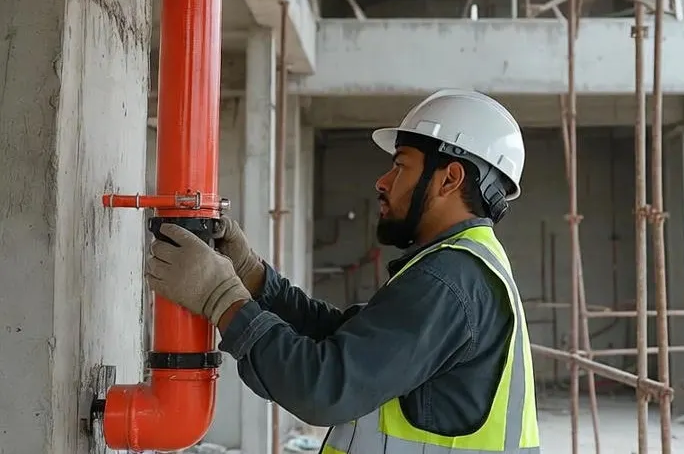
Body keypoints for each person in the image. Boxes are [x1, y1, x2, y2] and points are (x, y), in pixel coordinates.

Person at [145, 89, 540, 453]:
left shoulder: (449, 280)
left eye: (400, 166)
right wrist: (252, 277)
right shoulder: (465, 266)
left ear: (449, 179)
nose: (382, 182)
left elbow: (325, 387)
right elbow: (347, 343)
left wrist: (221, 299)